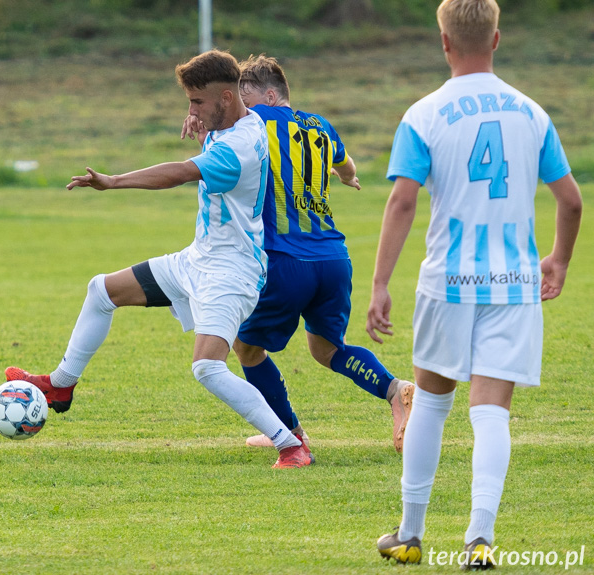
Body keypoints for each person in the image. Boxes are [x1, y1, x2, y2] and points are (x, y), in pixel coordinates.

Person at [6, 49, 314, 469]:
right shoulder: (248, 118)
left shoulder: (239, 146)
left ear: (225, 98)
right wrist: (204, 122)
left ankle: (291, 445)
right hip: (198, 259)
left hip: (231, 273)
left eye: (196, 102)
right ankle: (60, 386)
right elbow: (228, 119)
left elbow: (180, 172)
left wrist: (114, 181)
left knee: (207, 367)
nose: (191, 109)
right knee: (102, 290)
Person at [368, 0, 583, 568]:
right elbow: (570, 200)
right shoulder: (532, 114)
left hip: (449, 282)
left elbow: (403, 201)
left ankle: (410, 534)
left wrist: (380, 284)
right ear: (496, 39)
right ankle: (479, 540)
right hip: (513, 283)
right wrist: (557, 260)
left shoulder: (424, 114)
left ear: (443, 42)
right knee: (491, 412)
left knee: (433, 405)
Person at [183, 55, 415, 453]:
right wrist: (348, 178)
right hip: (333, 259)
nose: (241, 111)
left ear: (271, 96)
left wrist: (203, 127)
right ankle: (396, 389)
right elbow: (347, 165)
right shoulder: (320, 126)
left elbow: (224, 157)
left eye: (248, 100)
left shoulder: (255, 125)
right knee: (326, 349)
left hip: (284, 260)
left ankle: (291, 433)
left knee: (246, 347)